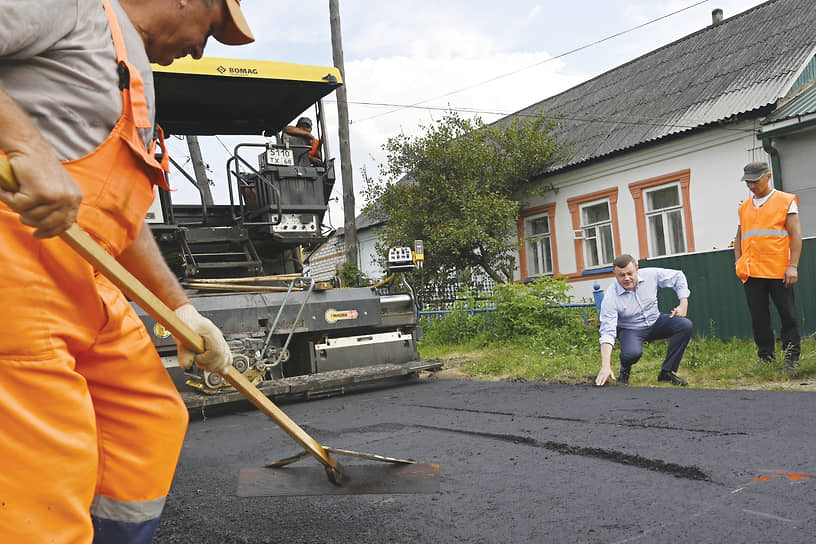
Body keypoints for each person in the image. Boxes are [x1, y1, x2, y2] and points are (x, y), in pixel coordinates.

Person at [0, 1, 253, 542]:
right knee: (44, 467)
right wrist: (23, 145)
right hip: (13, 268)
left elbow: (117, 210)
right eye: (210, 29)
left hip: (82, 275)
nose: (201, 50)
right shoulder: (71, 7)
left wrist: (180, 308)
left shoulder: (134, 73)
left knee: (148, 417)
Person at [734, 161, 802, 372]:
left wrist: (793, 266)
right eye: (748, 182)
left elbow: (796, 235)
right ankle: (766, 358)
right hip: (752, 272)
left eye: (755, 181)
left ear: (767, 176)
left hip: (778, 271)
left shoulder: (785, 201)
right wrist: (739, 262)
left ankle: (791, 358)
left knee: (787, 316)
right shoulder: (744, 207)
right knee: (759, 318)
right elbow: (739, 237)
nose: (751, 186)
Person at [595, 254, 693, 387]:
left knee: (684, 326)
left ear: (637, 268)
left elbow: (678, 276)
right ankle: (625, 370)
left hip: (656, 321)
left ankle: (666, 373)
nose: (627, 278)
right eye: (621, 275)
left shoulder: (650, 275)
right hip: (631, 329)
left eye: (630, 273)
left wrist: (683, 303)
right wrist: (605, 366)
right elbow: (607, 331)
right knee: (632, 354)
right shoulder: (611, 298)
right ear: (615, 274)